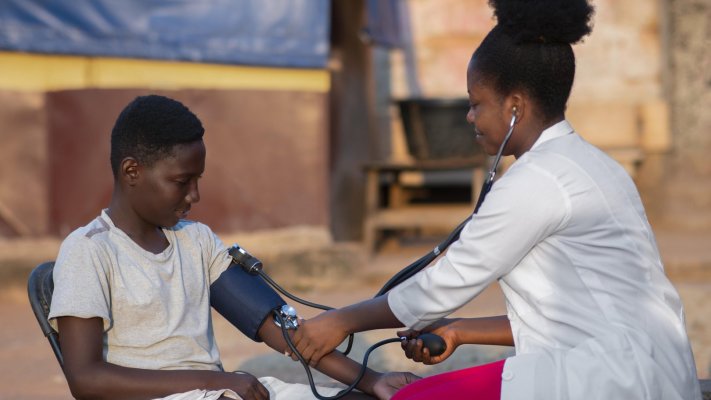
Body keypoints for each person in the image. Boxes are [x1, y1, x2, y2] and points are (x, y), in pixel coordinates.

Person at [289, 0, 702, 399]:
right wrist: (459, 330)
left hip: (612, 378)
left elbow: (444, 284)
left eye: (476, 104)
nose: (470, 117)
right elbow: (572, 312)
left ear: (515, 107)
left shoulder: (536, 180)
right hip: (651, 369)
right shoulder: (594, 164)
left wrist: (342, 320)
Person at [48, 94, 417, 400]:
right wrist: (216, 381)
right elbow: (86, 380)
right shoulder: (88, 251)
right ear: (132, 172)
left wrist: (372, 381)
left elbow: (278, 329)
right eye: (182, 181)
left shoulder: (196, 240)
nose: (194, 195)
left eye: (198, 180)